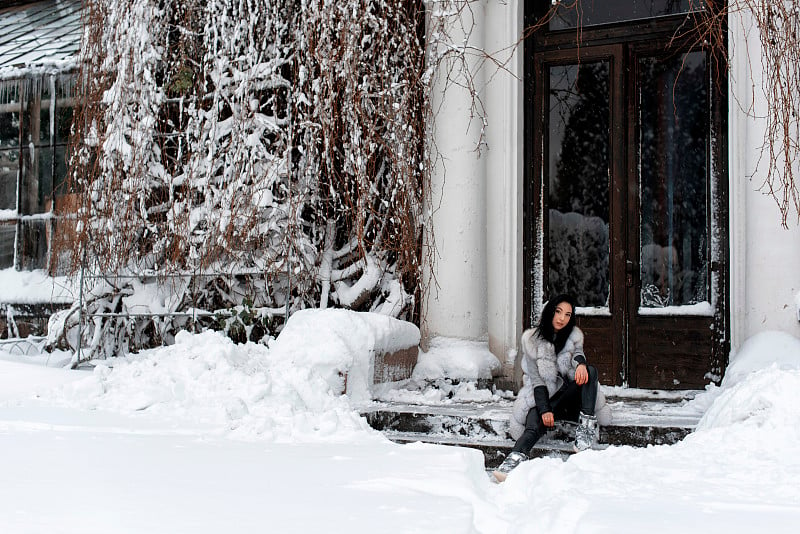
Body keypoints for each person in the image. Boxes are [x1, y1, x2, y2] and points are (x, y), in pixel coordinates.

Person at [493, 294, 610, 483]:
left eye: (568, 314)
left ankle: (586, 428)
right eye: (558, 311)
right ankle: (512, 461)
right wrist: (545, 409)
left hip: (570, 399)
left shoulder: (573, 337)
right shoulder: (532, 342)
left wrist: (580, 364)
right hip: (546, 398)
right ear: (550, 312)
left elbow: (578, 354)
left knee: (590, 371)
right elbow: (537, 380)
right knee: (533, 425)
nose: (562, 318)